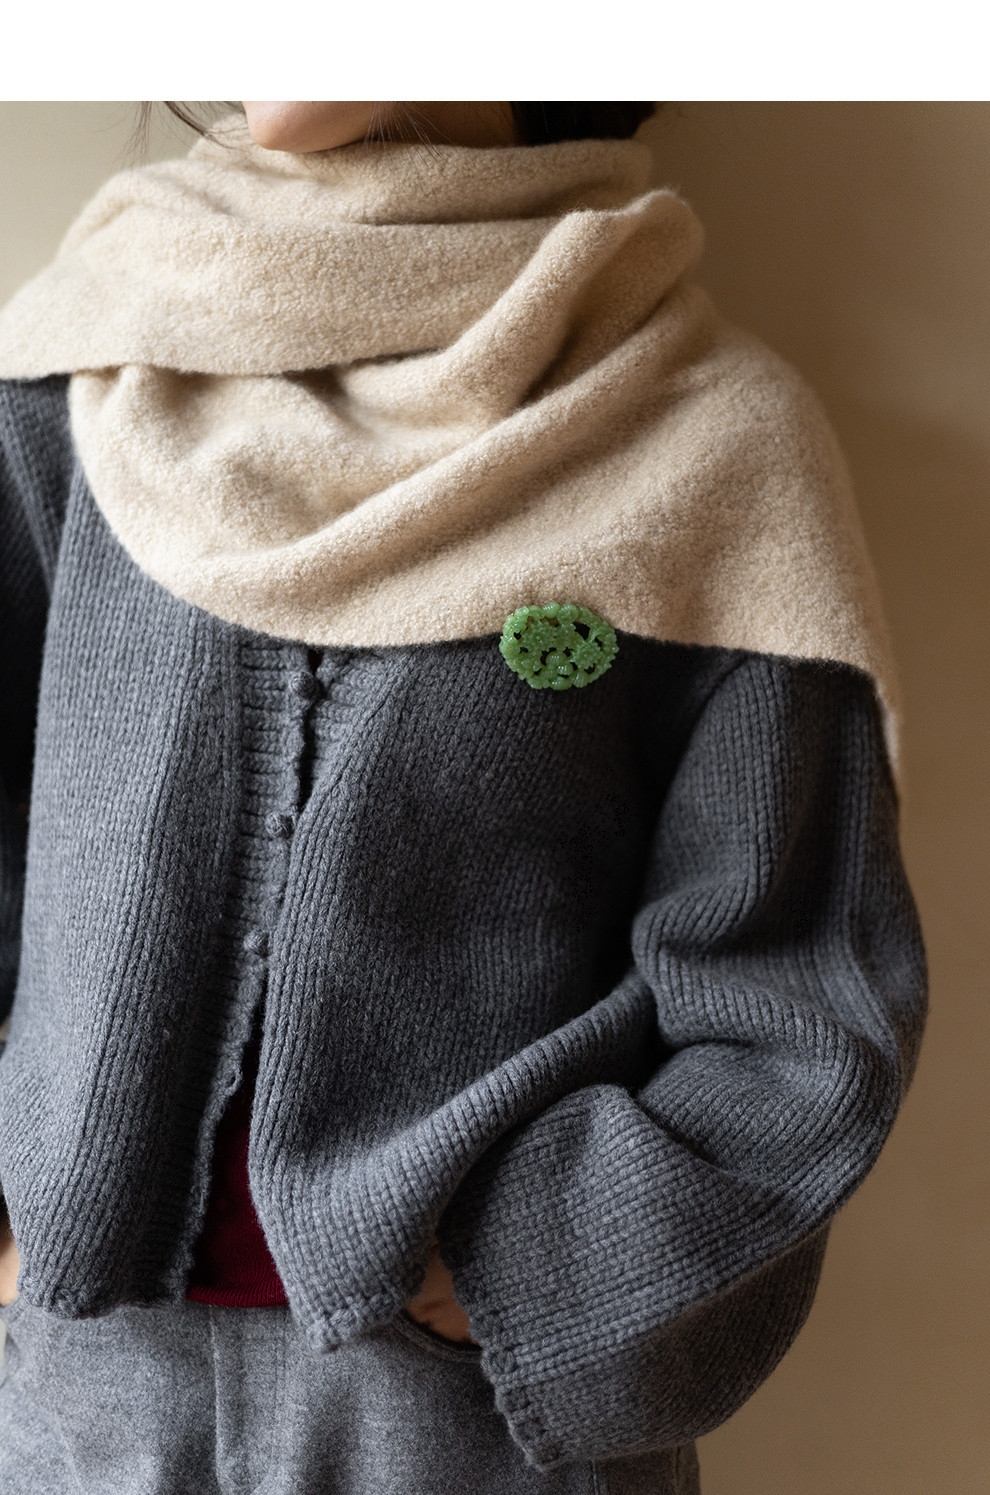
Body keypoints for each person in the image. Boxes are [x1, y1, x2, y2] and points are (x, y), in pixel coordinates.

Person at [0, 100, 927, 1494]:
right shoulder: (74, 375)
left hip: (476, 1417)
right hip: (76, 1393)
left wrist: (563, 1263)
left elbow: (798, 981)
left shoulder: (710, 436)